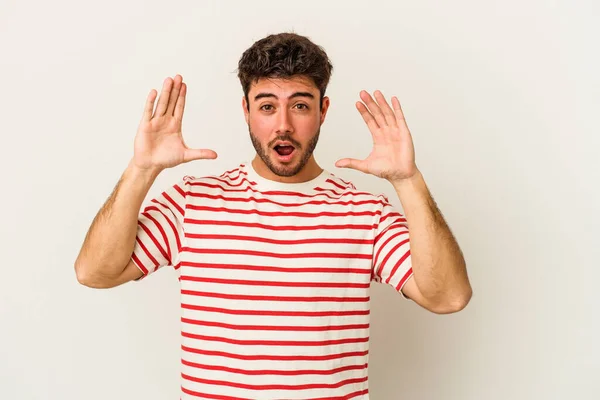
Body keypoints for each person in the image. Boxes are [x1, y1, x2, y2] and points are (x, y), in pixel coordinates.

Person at [75, 32, 472, 400]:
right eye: (267, 106)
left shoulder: (365, 212)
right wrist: (142, 169)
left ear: (323, 111)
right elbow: (95, 272)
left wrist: (408, 180)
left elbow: (449, 297)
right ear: (246, 111)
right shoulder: (191, 202)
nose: (283, 125)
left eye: (300, 105)